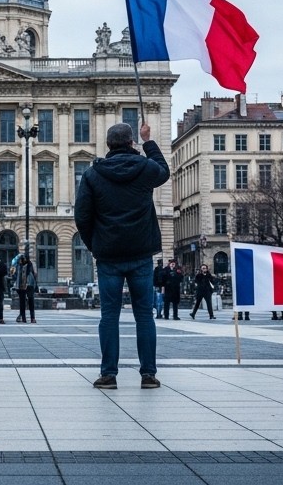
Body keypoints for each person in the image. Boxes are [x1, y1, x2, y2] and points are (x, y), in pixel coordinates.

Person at [74, 121, 169, 390]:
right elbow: (164, 172)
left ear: (108, 145)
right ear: (131, 143)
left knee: (109, 316)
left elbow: (82, 215)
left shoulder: (93, 174)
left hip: (109, 257)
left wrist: (96, 244)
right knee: (144, 316)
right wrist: (148, 141)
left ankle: (109, 374)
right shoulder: (145, 168)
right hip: (140, 254)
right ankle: (148, 374)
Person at [12, 251, 38, 323]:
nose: (21, 260)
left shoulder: (19, 265)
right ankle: (32, 318)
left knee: (23, 302)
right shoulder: (31, 264)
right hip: (29, 285)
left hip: (23, 285)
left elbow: (14, 273)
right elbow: (35, 274)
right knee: (30, 301)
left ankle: (24, 318)